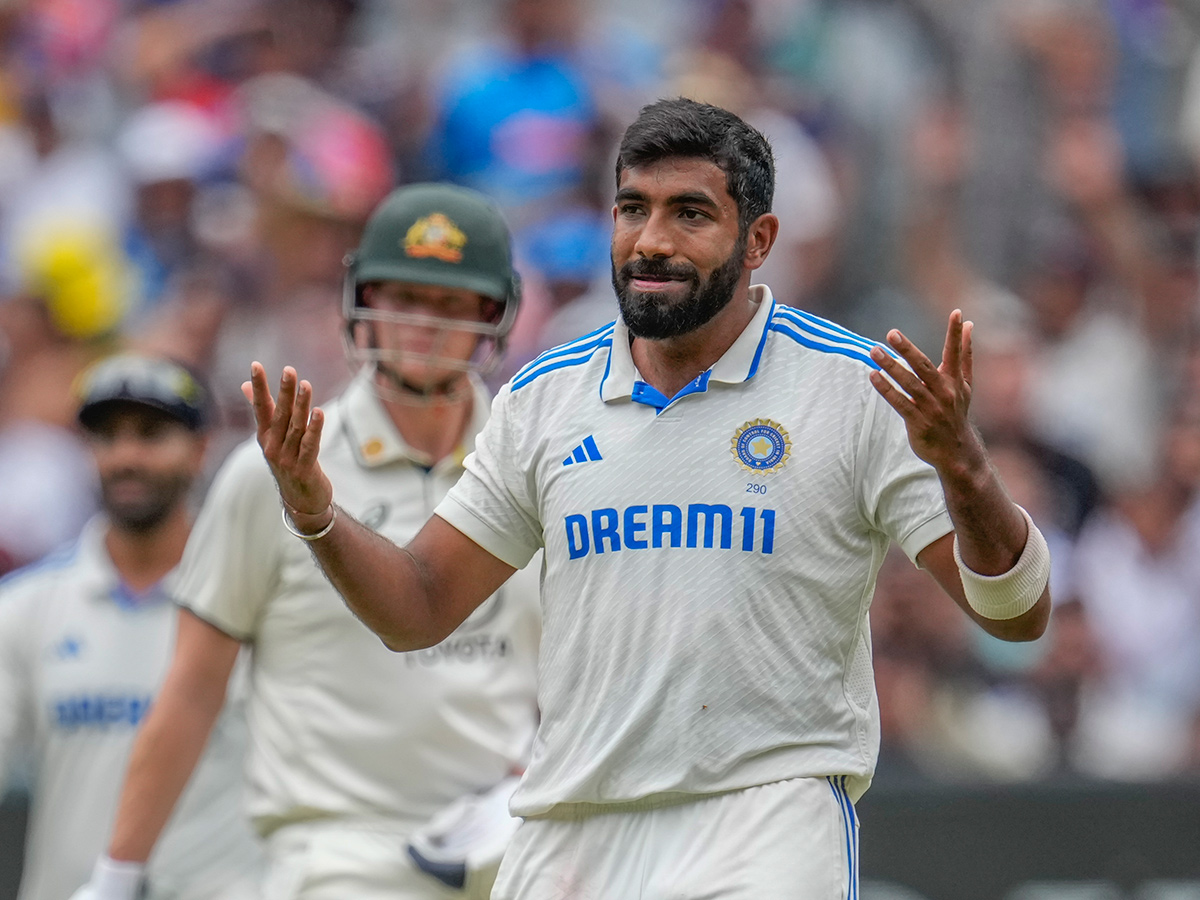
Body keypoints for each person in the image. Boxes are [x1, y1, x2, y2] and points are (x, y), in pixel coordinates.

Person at [249, 99, 1052, 899]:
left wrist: (966, 470)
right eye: (633, 209)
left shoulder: (855, 386)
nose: (652, 241)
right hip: (571, 834)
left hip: (764, 827)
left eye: (690, 214)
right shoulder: (544, 399)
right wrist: (315, 512)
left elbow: (1016, 615)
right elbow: (418, 608)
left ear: (759, 241)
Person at [79, 184, 541, 900]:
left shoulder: (529, 466)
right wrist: (117, 874)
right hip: (340, 852)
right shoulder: (270, 473)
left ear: (494, 314)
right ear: (361, 303)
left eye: (452, 303)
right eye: (403, 298)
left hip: (508, 847)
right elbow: (193, 691)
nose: (423, 324)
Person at [0, 353, 262, 900]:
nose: (126, 456)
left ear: (201, 449)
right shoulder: (27, 605)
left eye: (150, 434)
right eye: (106, 437)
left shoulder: (253, 601)